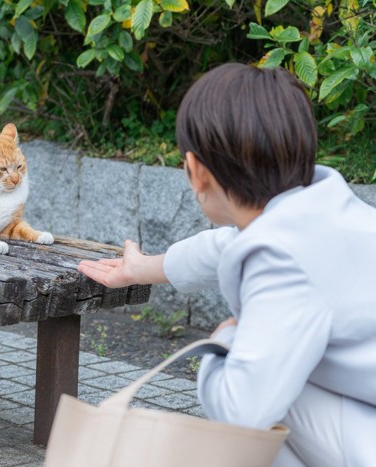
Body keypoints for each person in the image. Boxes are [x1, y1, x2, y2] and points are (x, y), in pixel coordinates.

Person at [78, 63, 376, 467]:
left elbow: (242, 410)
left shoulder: (281, 259)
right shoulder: (323, 210)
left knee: (269, 398)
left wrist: (226, 341)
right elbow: (226, 244)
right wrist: (140, 268)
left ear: (197, 171)